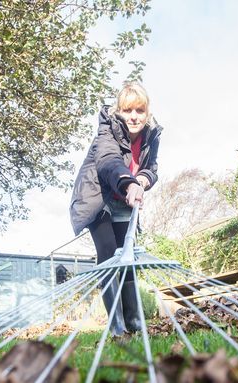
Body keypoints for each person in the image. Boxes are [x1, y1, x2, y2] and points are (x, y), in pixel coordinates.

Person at [69, 82, 161, 336]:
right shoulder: (107, 130)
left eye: (139, 111)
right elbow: (108, 161)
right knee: (110, 253)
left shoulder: (151, 135)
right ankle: (116, 326)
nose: (134, 117)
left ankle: (134, 321)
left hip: (123, 199)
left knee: (127, 257)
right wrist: (130, 183)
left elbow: (152, 168)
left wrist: (143, 179)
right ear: (119, 111)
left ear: (147, 112)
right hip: (97, 197)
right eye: (128, 110)